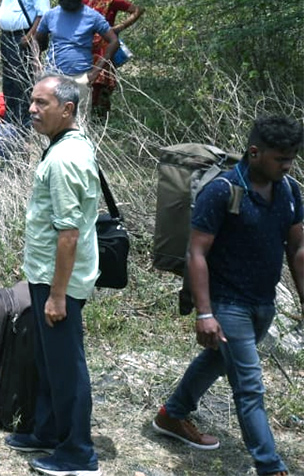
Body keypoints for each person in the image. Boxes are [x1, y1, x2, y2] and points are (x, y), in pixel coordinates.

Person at [152, 116, 303, 476]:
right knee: (250, 387)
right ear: (255, 152)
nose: (288, 165)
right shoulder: (222, 191)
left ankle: (171, 415)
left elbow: (297, 247)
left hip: (263, 302)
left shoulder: (290, 191)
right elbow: (196, 253)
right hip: (227, 302)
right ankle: (270, 466)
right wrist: (205, 313)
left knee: (219, 359)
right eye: (281, 158)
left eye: (292, 157)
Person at [5, 75, 100, 476]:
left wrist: (57, 296)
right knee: (48, 361)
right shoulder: (65, 146)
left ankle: (78, 453)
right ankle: (46, 431)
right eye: (32, 102)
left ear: (68, 109)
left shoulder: (64, 160)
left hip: (60, 281)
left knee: (66, 366)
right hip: (49, 276)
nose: (32, 109)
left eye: (42, 103)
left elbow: (68, 234)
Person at [35, 0, 118, 113]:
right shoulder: (51, 15)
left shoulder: (92, 16)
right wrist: (36, 65)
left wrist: (94, 73)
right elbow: (37, 41)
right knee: (50, 121)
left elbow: (113, 41)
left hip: (80, 78)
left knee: (79, 124)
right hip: (53, 77)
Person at [0, 0, 50, 127]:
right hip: (7, 37)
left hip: (22, 38)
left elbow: (43, 13)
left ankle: (23, 125)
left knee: (22, 81)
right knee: (9, 80)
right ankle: (10, 122)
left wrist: (29, 36)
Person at [84, 0, 144, 117]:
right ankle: (84, 114)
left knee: (101, 81)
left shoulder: (112, 0)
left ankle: (100, 117)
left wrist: (119, 27)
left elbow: (138, 10)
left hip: (105, 46)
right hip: (85, 45)